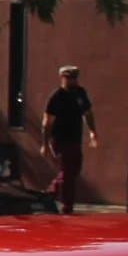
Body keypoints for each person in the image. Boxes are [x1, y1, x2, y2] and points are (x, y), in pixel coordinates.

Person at [41, 65, 98, 213]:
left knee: (73, 170)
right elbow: (47, 122)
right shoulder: (57, 97)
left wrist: (92, 131)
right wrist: (45, 144)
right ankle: (67, 206)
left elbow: (87, 113)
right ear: (62, 79)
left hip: (75, 138)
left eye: (73, 78)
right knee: (67, 172)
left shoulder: (80, 93)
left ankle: (50, 192)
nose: (71, 81)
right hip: (60, 138)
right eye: (68, 78)